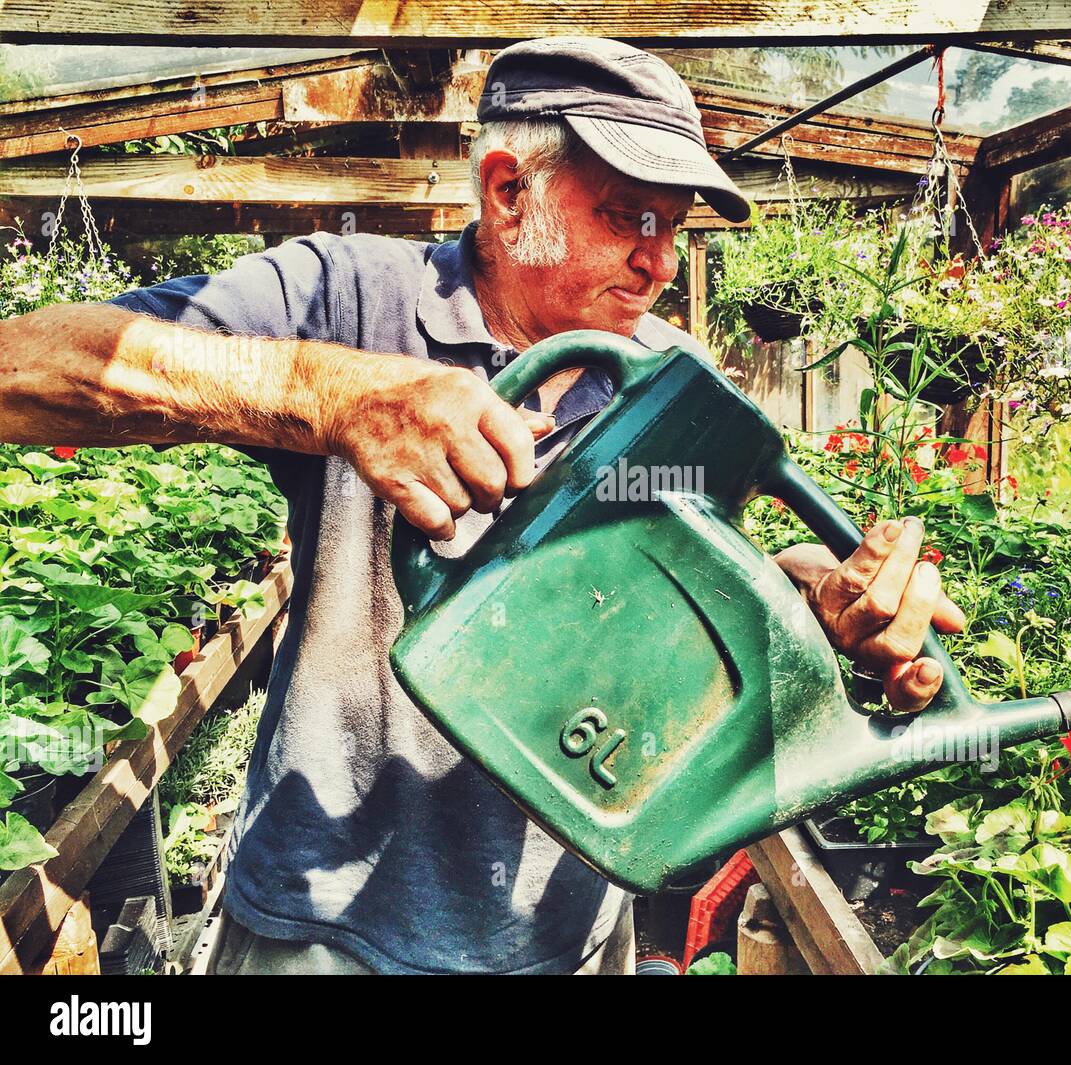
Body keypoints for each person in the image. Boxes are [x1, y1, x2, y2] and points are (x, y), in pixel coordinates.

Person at [0, 37, 965, 974]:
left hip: (573, 925)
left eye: (674, 227)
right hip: (328, 932)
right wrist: (329, 394)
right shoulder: (349, 297)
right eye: (629, 215)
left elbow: (692, 577)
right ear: (509, 191)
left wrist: (814, 601)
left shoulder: (673, 381)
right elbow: (23, 368)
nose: (659, 261)